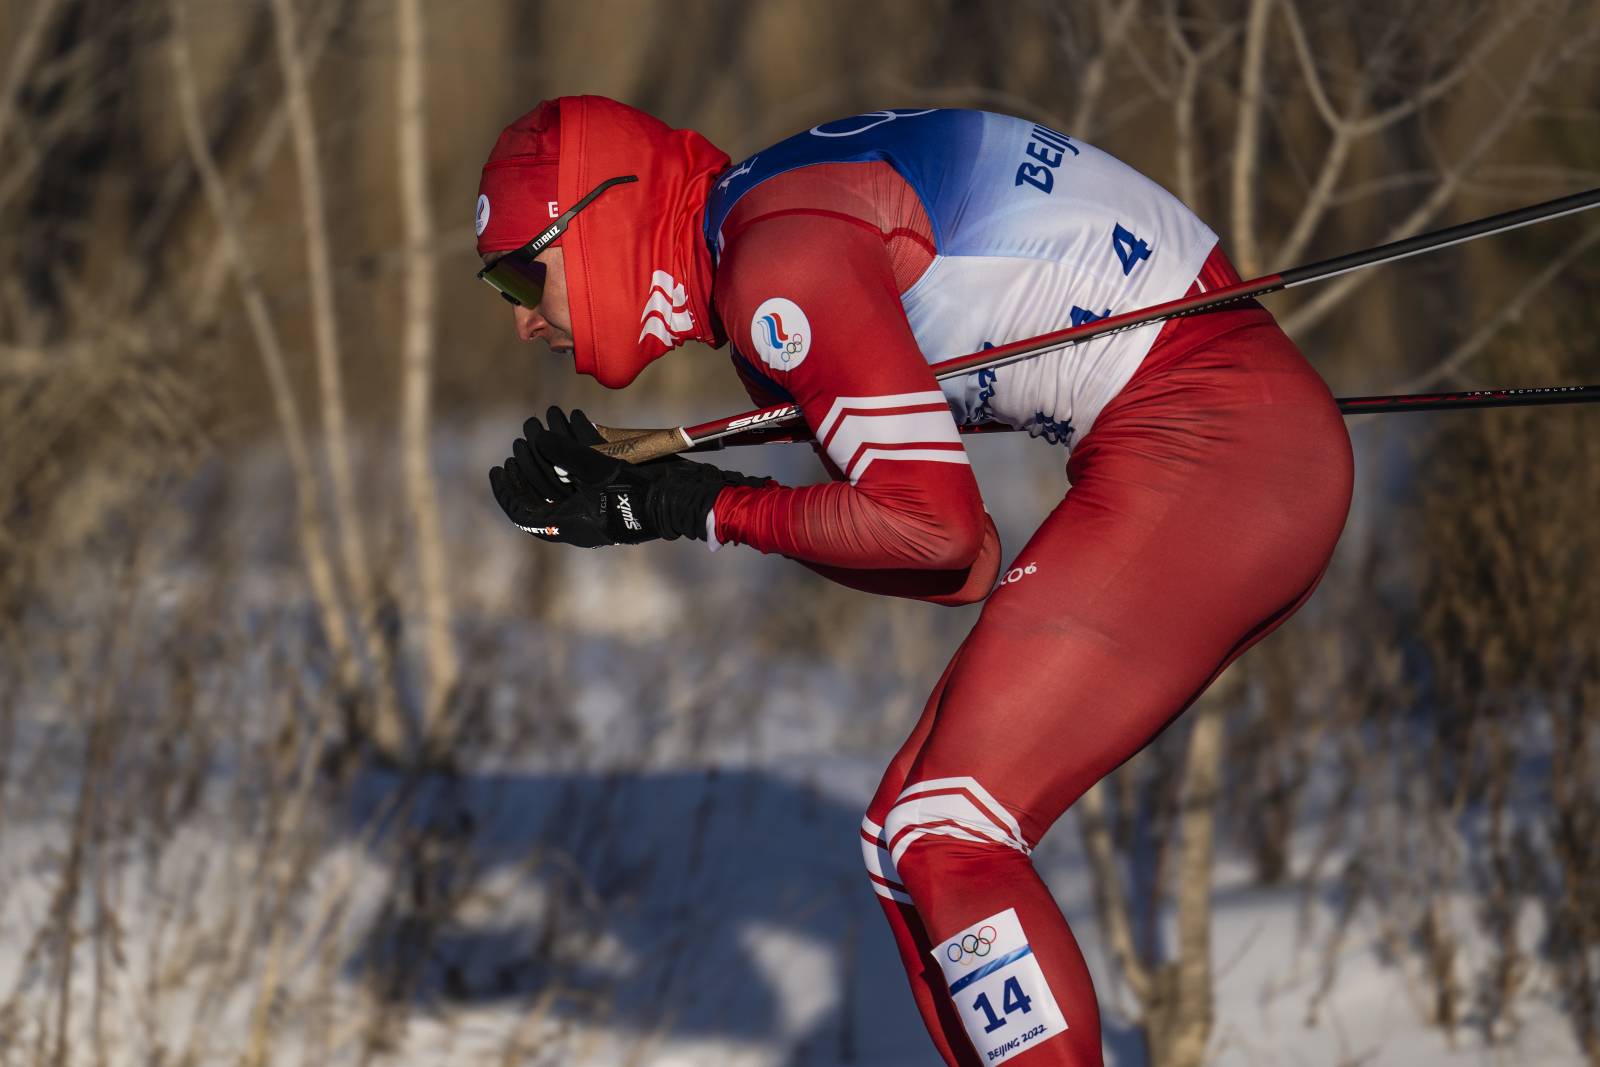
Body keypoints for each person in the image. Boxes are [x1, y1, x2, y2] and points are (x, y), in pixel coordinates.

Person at [479, 96, 1353, 1066]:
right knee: (901, 837)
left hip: (1214, 444)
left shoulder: (779, 264)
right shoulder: (766, 235)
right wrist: (677, 502)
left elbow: (933, 531)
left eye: (523, 270)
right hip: (1223, 438)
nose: (521, 320)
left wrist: (693, 507)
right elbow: (959, 559)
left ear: (597, 216)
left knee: (949, 825)